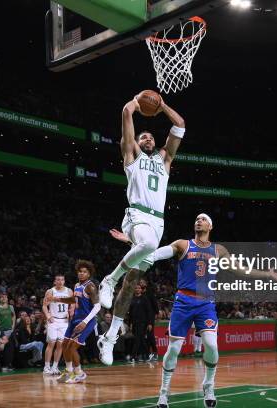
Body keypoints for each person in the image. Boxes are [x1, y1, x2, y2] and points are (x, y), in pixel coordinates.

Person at [110, 214, 277, 408]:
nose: (198, 220)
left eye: (203, 219)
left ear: (210, 225)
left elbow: (240, 270)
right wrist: (135, 243)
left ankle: (209, 385)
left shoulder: (218, 250)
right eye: (197, 219)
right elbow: (154, 254)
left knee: (212, 345)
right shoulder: (183, 245)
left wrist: (266, 274)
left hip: (206, 303)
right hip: (183, 301)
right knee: (174, 349)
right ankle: (164, 393)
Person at [98, 92, 186, 366]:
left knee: (132, 282)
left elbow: (180, 124)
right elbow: (126, 111)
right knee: (146, 247)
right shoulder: (131, 156)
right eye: (142, 137)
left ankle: (110, 336)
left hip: (157, 223)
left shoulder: (165, 160)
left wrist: (162, 106)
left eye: (150, 137)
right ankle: (108, 280)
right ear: (134, 144)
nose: (147, 139)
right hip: (136, 214)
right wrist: (137, 101)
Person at [45, 260, 100, 384]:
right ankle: (69, 371)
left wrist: (85, 322)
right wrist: (56, 298)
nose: (81, 274)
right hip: (75, 319)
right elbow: (73, 300)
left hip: (87, 320)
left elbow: (97, 306)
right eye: (80, 271)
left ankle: (79, 373)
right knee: (64, 344)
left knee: (72, 347)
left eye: (84, 272)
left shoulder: (90, 286)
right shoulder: (76, 285)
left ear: (89, 274)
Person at [42, 273, 73, 375]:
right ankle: (46, 367)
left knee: (60, 345)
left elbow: (72, 304)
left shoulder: (69, 291)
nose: (60, 281)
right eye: (58, 280)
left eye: (62, 280)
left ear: (64, 281)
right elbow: (44, 306)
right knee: (51, 343)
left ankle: (55, 367)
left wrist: (70, 313)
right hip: (53, 320)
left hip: (64, 321)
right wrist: (48, 316)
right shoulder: (50, 291)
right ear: (54, 281)